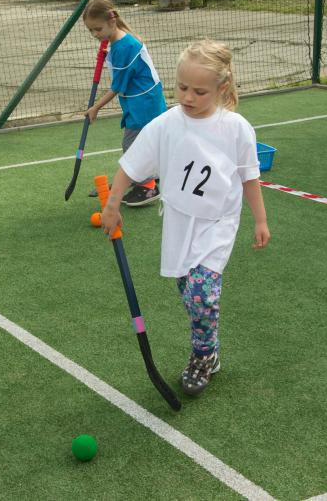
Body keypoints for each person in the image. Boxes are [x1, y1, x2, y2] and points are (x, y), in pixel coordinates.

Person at [99, 40, 271, 396]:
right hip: (179, 221)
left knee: (201, 292)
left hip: (218, 223)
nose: (188, 97)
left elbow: (249, 176)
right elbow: (129, 167)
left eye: (199, 91)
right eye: (181, 88)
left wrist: (260, 220)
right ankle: (209, 345)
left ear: (222, 87)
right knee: (188, 292)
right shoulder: (166, 125)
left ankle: (204, 356)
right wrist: (112, 205)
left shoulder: (236, 128)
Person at [83, 0, 167, 207]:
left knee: (132, 144)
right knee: (145, 142)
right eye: (91, 30)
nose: (95, 34)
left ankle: (148, 187)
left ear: (112, 21)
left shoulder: (123, 47)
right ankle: (146, 176)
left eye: (98, 29)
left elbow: (117, 87)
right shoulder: (120, 41)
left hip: (143, 103)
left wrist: (95, 108)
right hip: (142, 99)